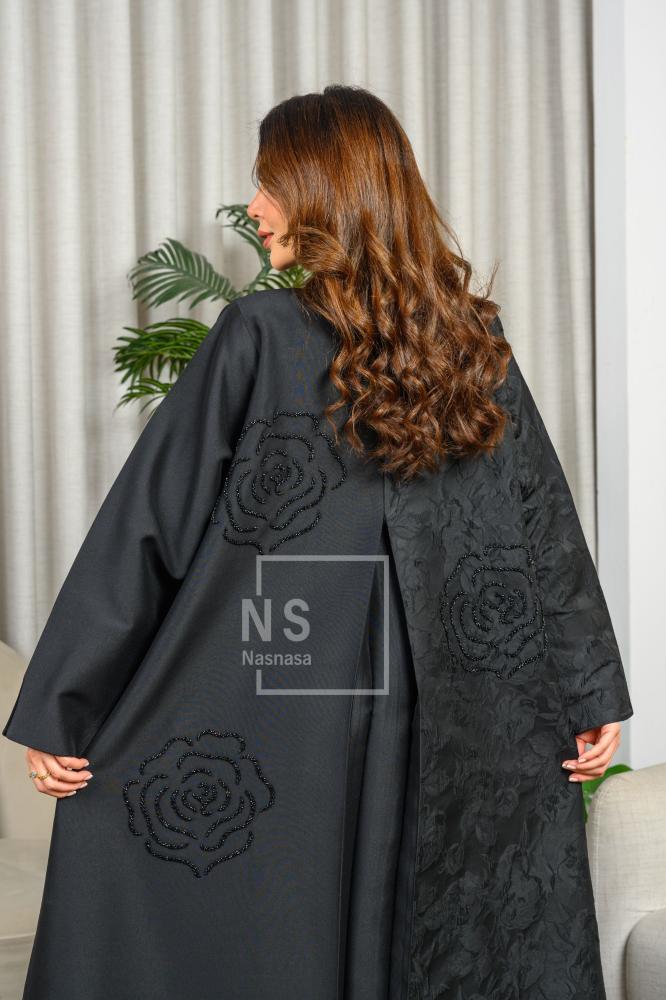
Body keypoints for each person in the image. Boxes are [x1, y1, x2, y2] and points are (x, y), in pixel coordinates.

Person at [3, 84, 633, 1000]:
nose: (254, 207)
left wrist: (66, 703)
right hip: (431, 709)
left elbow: (152, 522)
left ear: (325, 192)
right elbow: (544, 523)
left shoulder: (273, 334)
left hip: (302, 694)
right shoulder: (467, 340)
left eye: (271, 185)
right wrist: (588, 685)